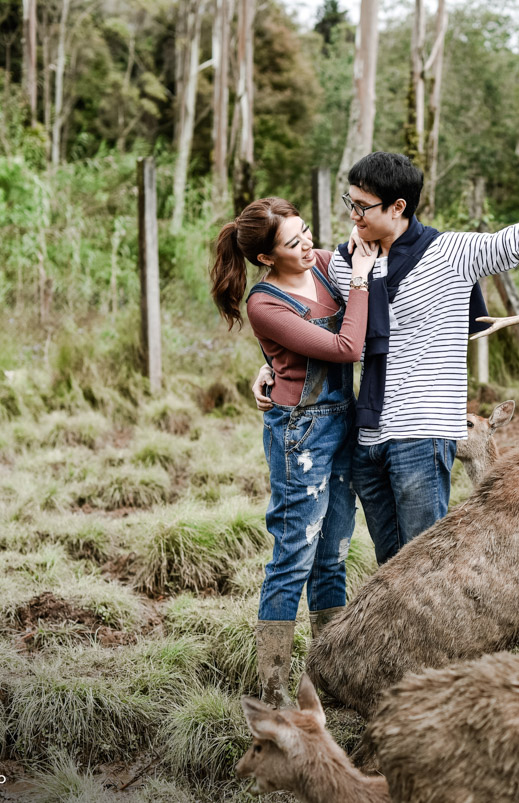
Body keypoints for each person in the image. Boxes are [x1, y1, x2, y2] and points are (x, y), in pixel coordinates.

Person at [254, 152, 519, 565]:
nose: (353, 214)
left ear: (397, 208)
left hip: (423, 434)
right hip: (367, 437)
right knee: (389, 568)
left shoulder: (451, 253)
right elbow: (309, 316)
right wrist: (273, 367)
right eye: (350, 202)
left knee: (425, 567)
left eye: (362, 206)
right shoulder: (348, 261)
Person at [211, 197, 377, 706]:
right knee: (293, 556)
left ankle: (328, 678)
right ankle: (274, 692)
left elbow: (363, 245)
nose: (307, 244)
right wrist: (362, 282)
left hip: (343, 423)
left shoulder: (326, 266)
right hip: (299, 434)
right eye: (292, 242)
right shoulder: (266, 303)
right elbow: (347, 348)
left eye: (306, 232)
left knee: (332, 555)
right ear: (266, 258)